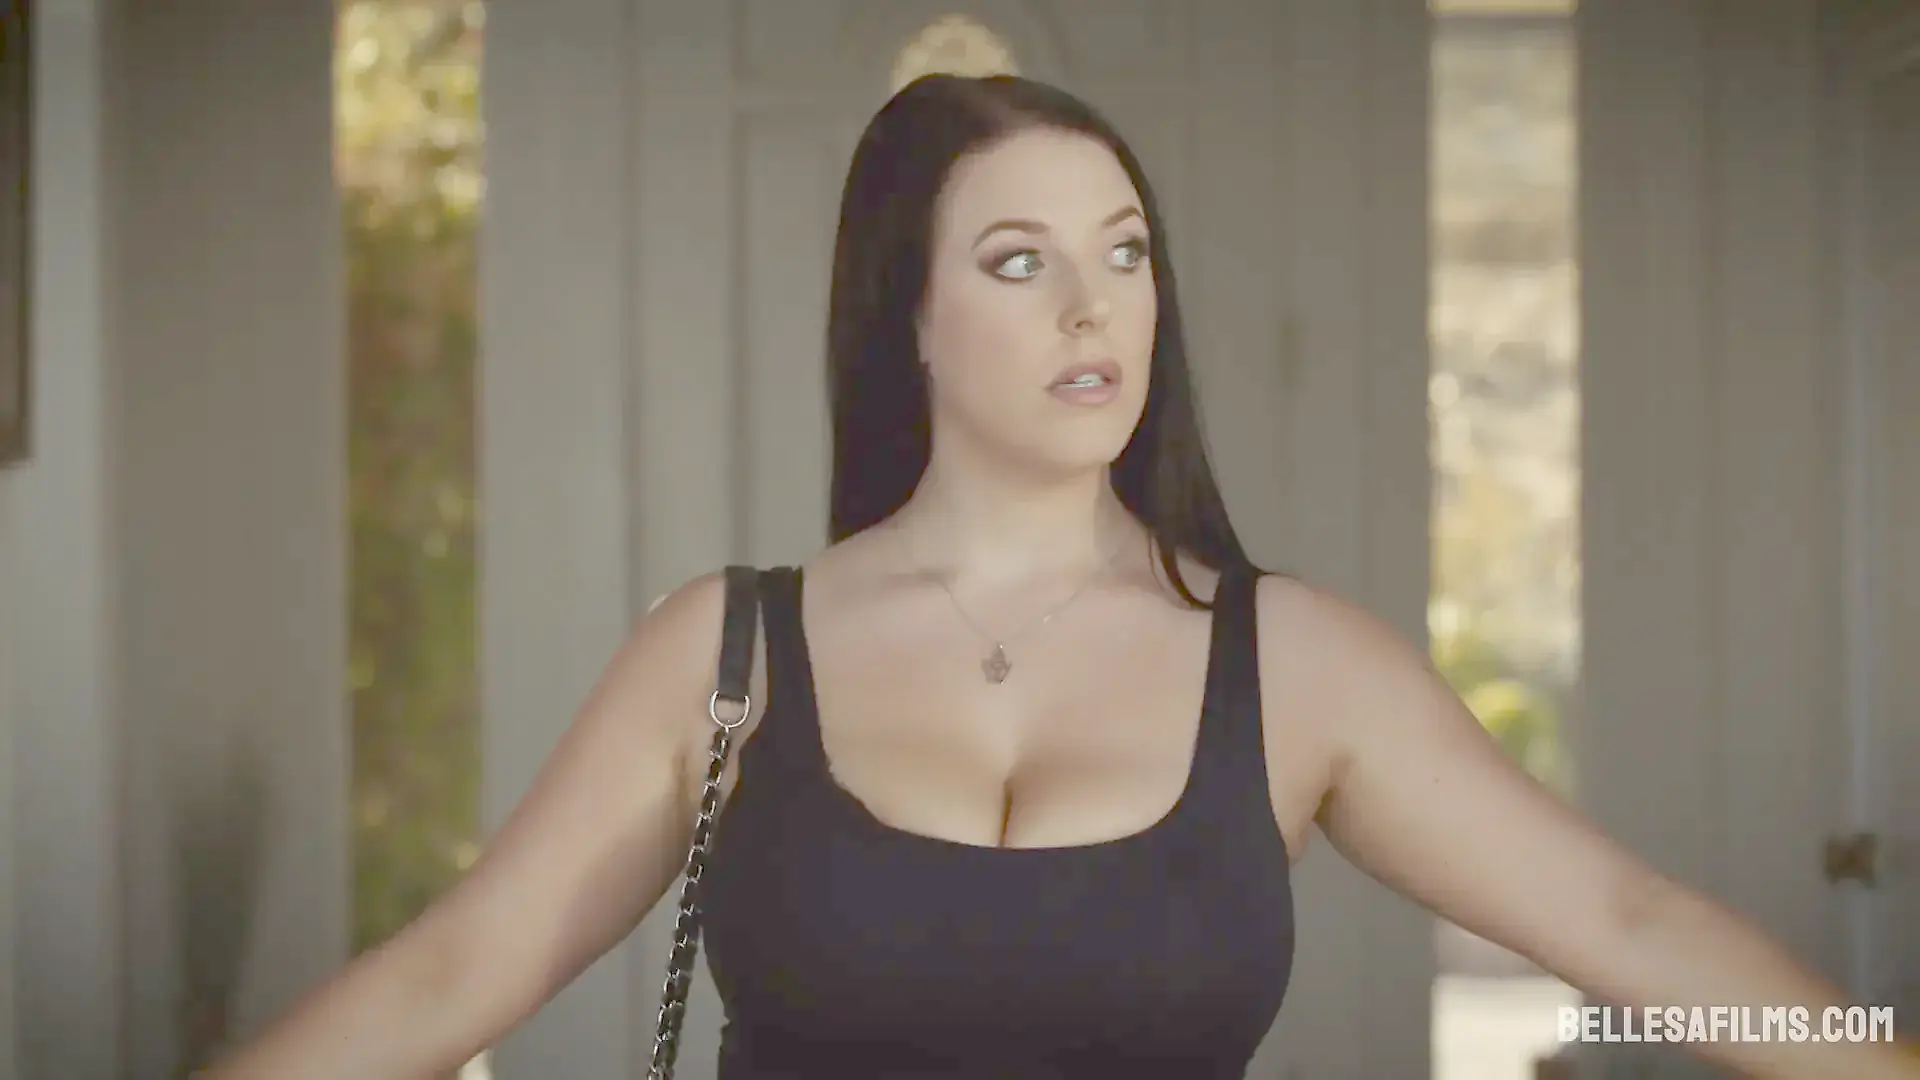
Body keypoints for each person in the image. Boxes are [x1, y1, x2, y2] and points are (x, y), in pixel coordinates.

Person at [206, 74, 1916, 1080]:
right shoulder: (726, 654)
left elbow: (1628, 929)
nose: (1095, 306)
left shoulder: (1299, 666)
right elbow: (448, 981)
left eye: (1125, 253)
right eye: (1019, 262)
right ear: (909, 318)